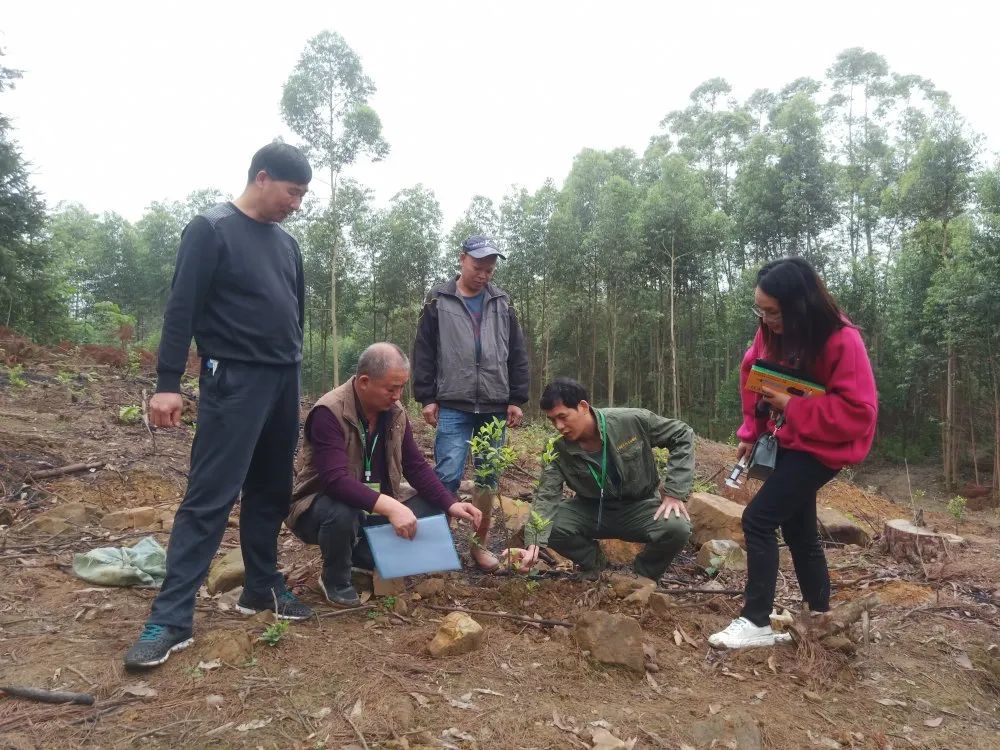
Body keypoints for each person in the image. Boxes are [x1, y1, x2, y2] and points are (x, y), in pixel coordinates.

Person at [124, 143, 313, 670]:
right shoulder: (211, 229)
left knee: (270, 489)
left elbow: (294, 312)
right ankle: (171, 617)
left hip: (283, 379)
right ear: (262, 177)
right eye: (292, 192)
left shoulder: (287, 245)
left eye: (303, 196)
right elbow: (181, 308)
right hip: (233, 377)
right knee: (210, 494)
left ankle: (261, 585)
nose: (296, 204)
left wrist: (292, 368)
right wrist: (167, 383)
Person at [709, 257, 877, 650]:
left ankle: (755, 621)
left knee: (758, 520)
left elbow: (859, 414)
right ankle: (819, 619)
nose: (766, 320)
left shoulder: (841, 340)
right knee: (799, 532)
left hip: (823, 449)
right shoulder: (771, 332)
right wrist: (752, 432)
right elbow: (752, 374)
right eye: (761, 310)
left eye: (774, 312)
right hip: (787, 439)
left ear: (800, 305)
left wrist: (793, 406)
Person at [286, 343, 482, 606]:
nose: (397, 396)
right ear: (364, 381)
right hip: (320, 507)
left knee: (435, 506)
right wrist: (391, 507)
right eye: (391, 389)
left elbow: (415, 466)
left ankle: (362, 558)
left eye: (402, 388)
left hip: (372, 507)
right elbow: (335, 481)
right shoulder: (329, 412)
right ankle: (336, 578)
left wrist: (450, 503)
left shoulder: (395, 413)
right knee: (343, 512)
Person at [412, 235, 530, 572]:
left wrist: (516, 398)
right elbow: (424, 350)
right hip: (453, 402)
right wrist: (427, 397)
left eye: (489, 269)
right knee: (447, 474)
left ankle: (479, 547)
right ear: (462, 259)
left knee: (488, 479)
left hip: (494, 403)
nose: (483, 274)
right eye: (478, 267)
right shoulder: (438, 300)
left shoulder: (502, 302)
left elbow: (517, 352)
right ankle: (438, 547)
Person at [518, 378, 694, 581]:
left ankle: (643, 575)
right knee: (546, 526)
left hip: (640, 506)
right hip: (590, 510)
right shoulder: (556, 448)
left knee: (677, 527)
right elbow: (546, 494)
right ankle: (597, 567)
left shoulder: (630, 421)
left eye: (563, 417)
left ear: (583, 407)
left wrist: (674, 492)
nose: (559, 426)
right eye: (552, 420)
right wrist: (534, 543)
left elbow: (682, 433)